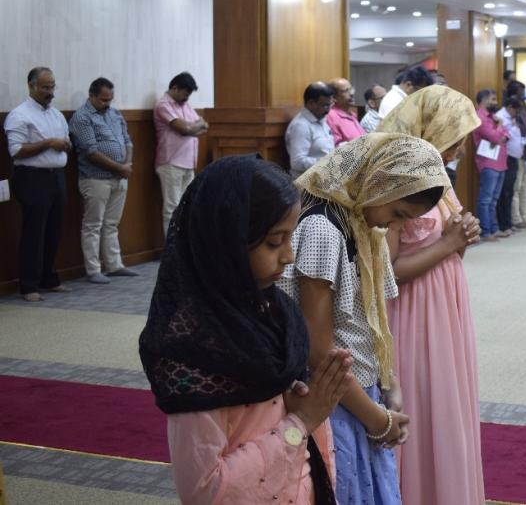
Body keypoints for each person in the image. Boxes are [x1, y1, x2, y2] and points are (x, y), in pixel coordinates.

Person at [139, 155, 351, 505]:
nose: (289, 256)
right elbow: (205, 491)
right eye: (274, 242)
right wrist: (300, 422)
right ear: (227, 242)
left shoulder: (276, 313)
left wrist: (296, 405)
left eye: (290, 238)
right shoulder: (195, 348)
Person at [280, 134, 450, 505]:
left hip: (358, 390)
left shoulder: (360, 224)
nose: (394, 225)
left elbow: (371, 320)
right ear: (378, 183)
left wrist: (389, 381)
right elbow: (318, 349)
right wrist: (377, 418)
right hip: (332, 398)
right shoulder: (324, 229)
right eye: (398, 214)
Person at [377, 87, 486, 505]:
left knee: (447, 400)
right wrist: (448, 244)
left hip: (444, 304)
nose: (461, 148)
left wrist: (462, 237)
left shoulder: (439, 175)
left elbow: (450, 244)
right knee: (424, 400)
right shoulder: (397, 182)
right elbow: (385, 273)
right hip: (413, 311)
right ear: (432, 131)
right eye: (455, 138)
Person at [5, 67, 72, 301]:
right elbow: (16, 151)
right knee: (34, 232)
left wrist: (64, 144)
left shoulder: (56, 115)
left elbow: (65, 140)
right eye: (45, 87)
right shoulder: (19, 115)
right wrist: (49, 143)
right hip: (32, 179)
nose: (50, 92)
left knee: (54, 230)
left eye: (52, 86)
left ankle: (49, 279)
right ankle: (29, 285)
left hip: (57, 177)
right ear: (31, 86)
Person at [69, 77, 136, 285]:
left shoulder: (115, 114)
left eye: (110, 99)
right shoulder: (82, 117)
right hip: (95, 179)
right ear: (91, 96)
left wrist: (127, 164)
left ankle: (114, 265)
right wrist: (120, 168)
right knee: (93, 225)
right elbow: (91, 152)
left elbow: (128, 142)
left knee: (111, 223)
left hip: (120, 177)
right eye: (103, 100)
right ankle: (93, 269)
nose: (108, 104)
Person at [154, 72, 208, 237]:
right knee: (172, 208)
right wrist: (191, 127)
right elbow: (184, 129)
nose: (187, 98)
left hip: (188, 162)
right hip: (171, 162)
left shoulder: (184, 105)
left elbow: (204, 125)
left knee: (186, 207)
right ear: (175, 88)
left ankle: (182, 246)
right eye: (185, 93)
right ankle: (171, 247)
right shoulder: (163, 105)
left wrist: (192, 128)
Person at [473, 89, 510, 242]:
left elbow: (507, 135)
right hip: (488, 163)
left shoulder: (493, 117)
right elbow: (495, 137)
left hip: (500, 161)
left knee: (494, 200)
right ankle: (485, 232)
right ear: (483, 100)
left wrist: (501, 133)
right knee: (485, 200)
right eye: (493, 99)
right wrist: (500, 127)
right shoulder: (479, 117)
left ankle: (494, 229)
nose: (496, 102)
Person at [505, 80, 526, 229]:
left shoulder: (523, 108)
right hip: (518, 152)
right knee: (517, 187)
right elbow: (517, 134)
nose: (524, 94)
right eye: (521, 91)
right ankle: (516, 218)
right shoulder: (510, 112)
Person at [286, 82, 336, 179]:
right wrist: (328, 162)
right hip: (308, 183)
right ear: (311, 103)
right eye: (325, 105)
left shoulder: (321, 120)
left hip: (325, 178)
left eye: (331, 104)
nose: (328, 110)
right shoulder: (301, 126)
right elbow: (297, 163)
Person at [496, 96, 525, 235]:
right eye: (516, 110)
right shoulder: (500, 117)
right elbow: (500, 136)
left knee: (510, 191)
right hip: (505, 158)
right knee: (504, 192)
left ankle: (508, 222)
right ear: (510, 107)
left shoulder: (512, 118)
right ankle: (503, 225)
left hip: (514, 158)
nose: (517, 113)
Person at [326, 78, 365, 146]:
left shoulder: (352, 114)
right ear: (334, 97)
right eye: (346, 91)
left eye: (351, 89)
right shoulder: (331, 116)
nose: (351, 94)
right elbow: (335, 146)